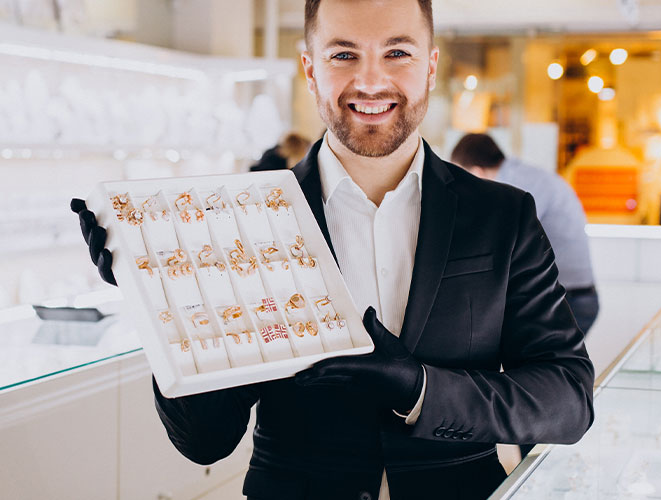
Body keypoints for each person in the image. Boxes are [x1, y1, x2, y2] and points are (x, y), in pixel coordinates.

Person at [71, 1, 594, 499]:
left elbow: (567, 399)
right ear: (310, 67)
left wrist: (420, 390)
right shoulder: (244, 222)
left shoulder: (502, 214)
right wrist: (162, 302)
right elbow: (205, 440)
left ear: (431, 65)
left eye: (397, 52)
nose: (370, 81)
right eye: (343, 54)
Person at [450, 133, 599, 335]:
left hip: (567, 301)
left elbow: (499, 241)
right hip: (566, 297)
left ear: (476, 172)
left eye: (462, 177)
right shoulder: (522, 177)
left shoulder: (517, 185)